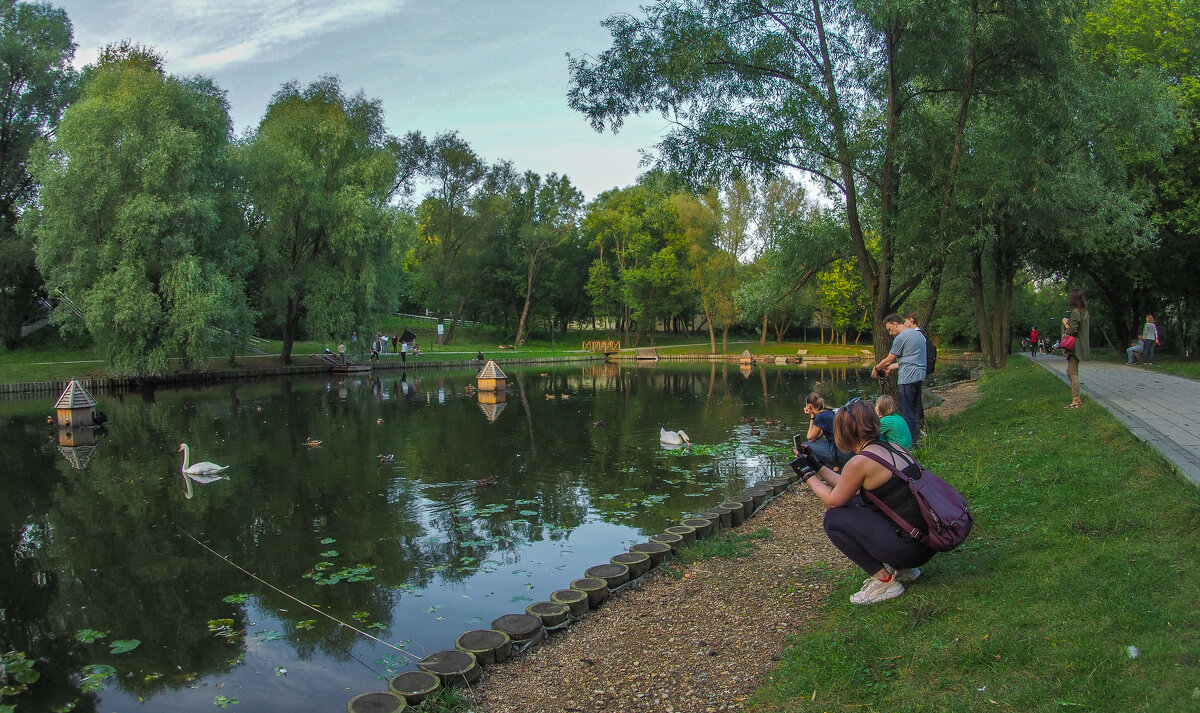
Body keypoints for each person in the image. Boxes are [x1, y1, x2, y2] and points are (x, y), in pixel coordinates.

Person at [792, 399, 934, 604]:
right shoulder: (891, 448)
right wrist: (816, 465)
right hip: (925, 542)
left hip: (909, 548)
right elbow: (850, 489)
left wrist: (806, 474)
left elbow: (833, 500)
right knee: (854, 504)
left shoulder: (861, 462)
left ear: (844, 432)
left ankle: (885, 582)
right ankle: (905, 570)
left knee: (834, 519)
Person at [872, 314, 926, 441]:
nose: (890, 333)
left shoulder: (901, 337)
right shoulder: (918, 335)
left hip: (908, 377)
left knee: (906, 411)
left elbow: (889, 359)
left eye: (890, 329)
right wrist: (892, 367)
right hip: (919, 376)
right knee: (914, 408)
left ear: (895, 323)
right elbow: (912, 358)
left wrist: (876, 368)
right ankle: (917, 437)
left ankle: (909, 443)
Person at [801, 392, 853, 469]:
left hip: (841, 455)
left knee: (805, 445)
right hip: (850, 451)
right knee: (818, 443)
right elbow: (817, 437)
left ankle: (826, 469)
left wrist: (812, 417)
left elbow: (810, 438)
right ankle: (833, 467)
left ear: (809, 406)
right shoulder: (829, 412)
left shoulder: (821, 416)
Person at [1062, 288, 1091, 409]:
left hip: (1074, 346)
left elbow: (1072, 330)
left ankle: (1076, 399)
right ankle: (1076, 398)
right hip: (1081, 345)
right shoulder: (1085, 312)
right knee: (1070, 372)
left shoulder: (1075, 312)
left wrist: (1065, 323)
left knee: (1072, 373)